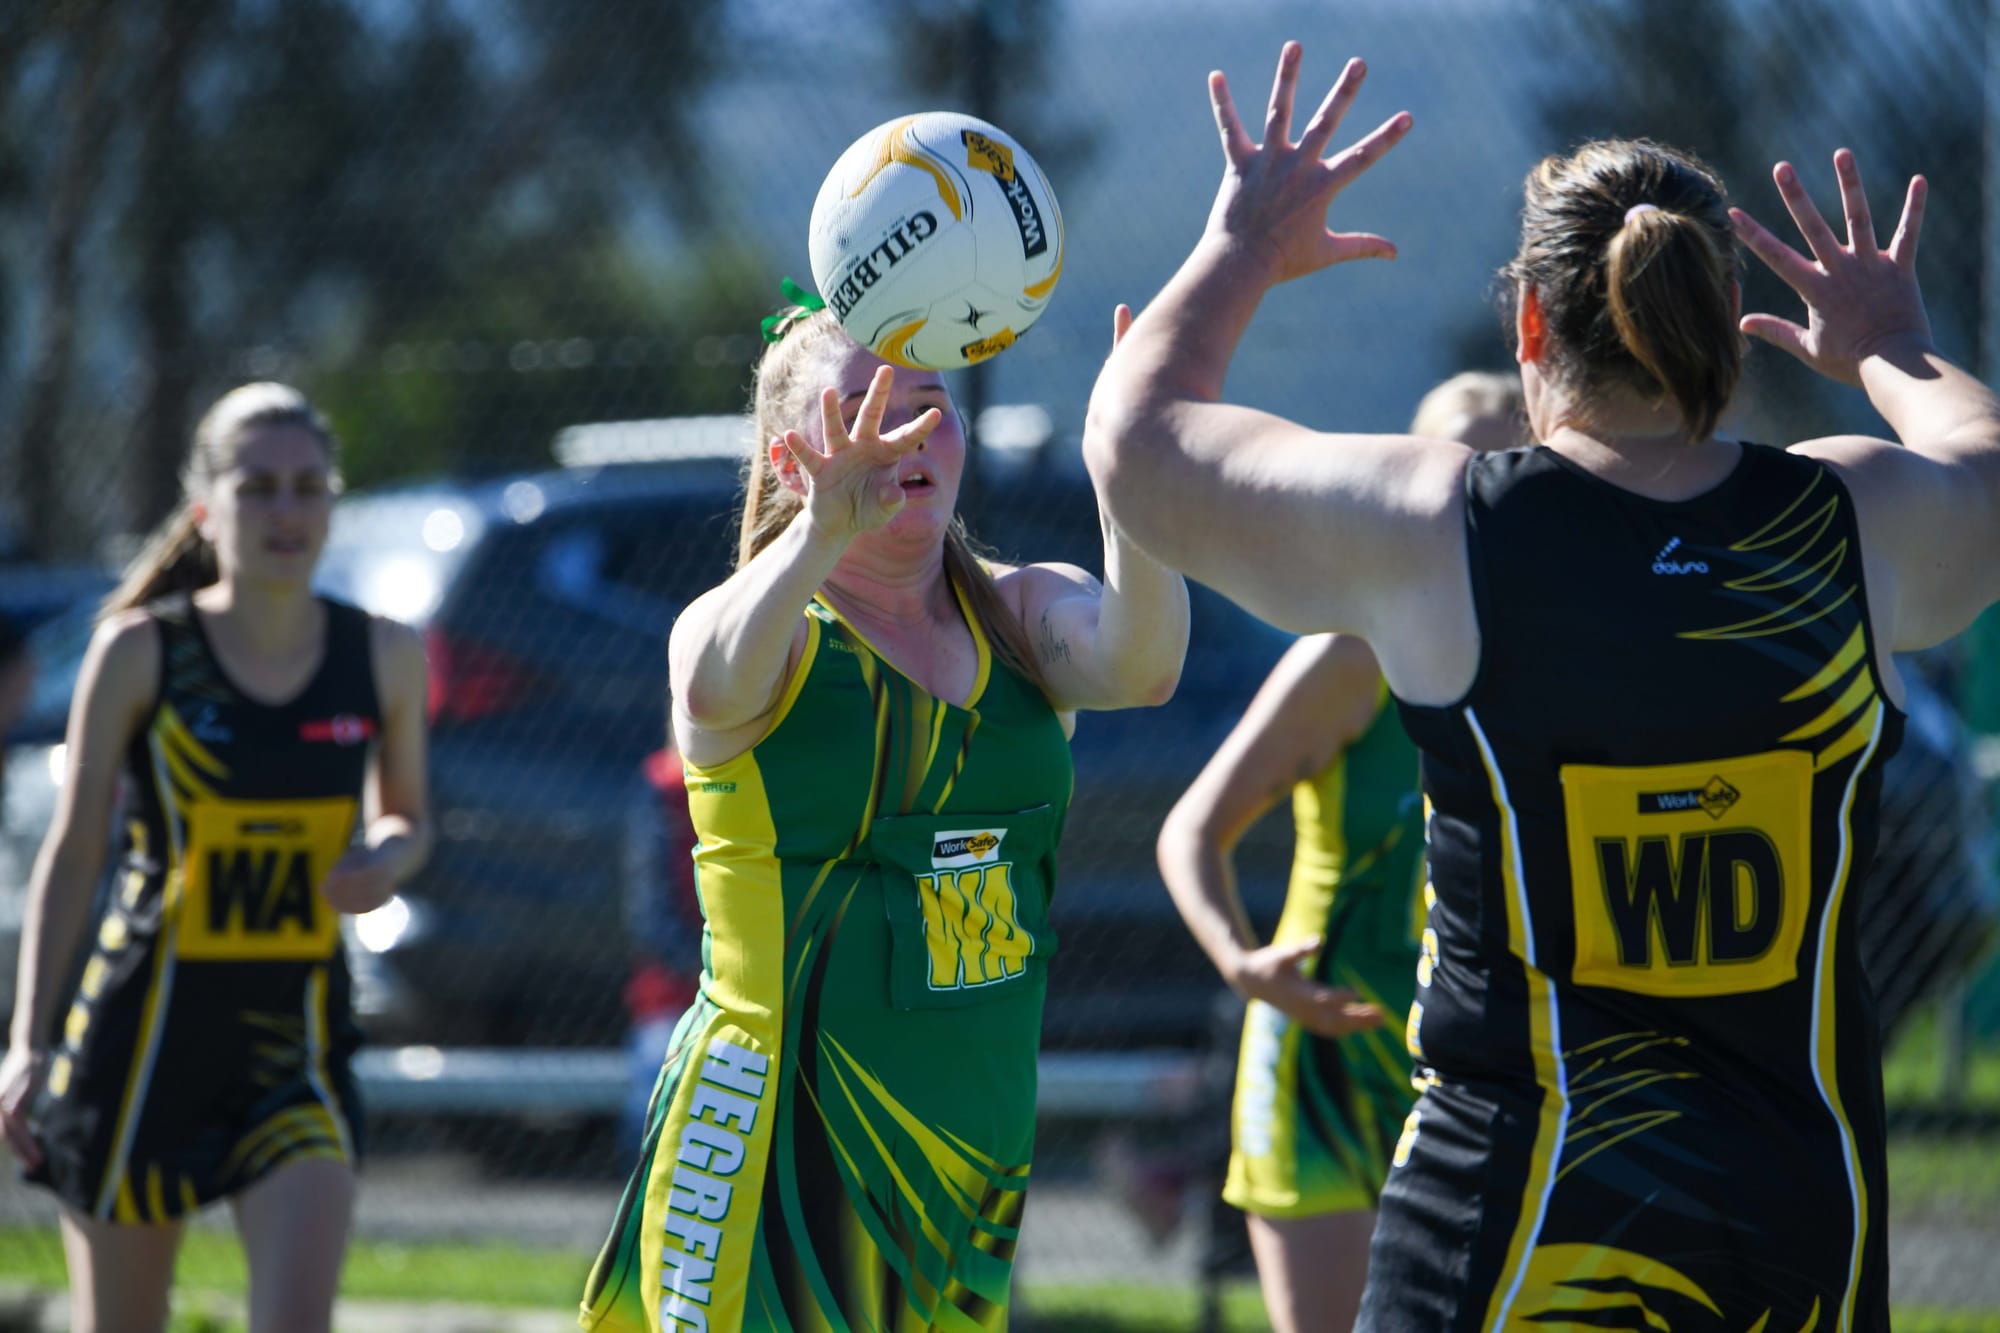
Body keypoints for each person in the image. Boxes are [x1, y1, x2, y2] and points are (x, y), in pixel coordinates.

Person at [1084, 42, 2000, 1331]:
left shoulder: (1441, 536)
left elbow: (1135, 446)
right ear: (1720, 334)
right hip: (1793, 1232)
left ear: (1529, 324)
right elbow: (1983, 463)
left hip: (1519, 1230)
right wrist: (1891, 345)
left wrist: (1242, 246)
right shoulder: (1847, 526)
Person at [578, 300, 1190, 1333]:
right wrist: (824, 529)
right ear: (790, 457)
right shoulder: (764, 637)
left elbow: (1144, 665)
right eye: (862, 410)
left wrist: (1129, 467)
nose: (905, 434)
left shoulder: (1022, 614)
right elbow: (711, 685)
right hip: (776, 1154)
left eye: (929, 404)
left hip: (963, 1165)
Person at [0, 383, 432, 1333]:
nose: (287, 511)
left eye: (308, 487)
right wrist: (27, 1039)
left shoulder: (384, 655)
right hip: (141, 1044)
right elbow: (72, 853)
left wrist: (386, 862)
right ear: (207, 507)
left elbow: (408, 820)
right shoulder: (142, 652)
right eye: (259, 487)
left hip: (294, 1044)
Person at [1154, 376, 1526, 1333]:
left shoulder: (1546, 654)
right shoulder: (1351, 655)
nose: (1479, 494)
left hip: (1481, 1067)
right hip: (1327, 1062)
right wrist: (1243, 962)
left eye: (1505, 468)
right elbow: (1193, 829)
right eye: (1457, 470)